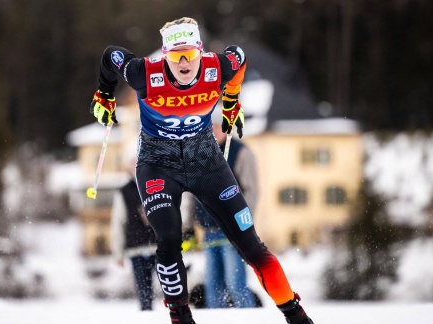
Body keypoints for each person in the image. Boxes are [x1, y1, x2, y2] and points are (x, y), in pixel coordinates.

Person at [90, 17, 314, 324]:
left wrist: (232, 98)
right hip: (158, 164)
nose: (184, 63)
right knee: (168, 239)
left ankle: (297, 316)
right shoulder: (144, 73)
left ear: (200, 51)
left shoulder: (218, 67)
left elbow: (240, 56)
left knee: (252, 245)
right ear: (164, 56)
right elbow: (110, 54)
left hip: (205, 162)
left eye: (190, 55)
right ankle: (181, 317)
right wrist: (104, 94)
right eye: (175, 55)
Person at [191, 119, 258, 309]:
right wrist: (188, 223)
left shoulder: (241, 152)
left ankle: (249, 319)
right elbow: (192, 190)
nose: (211, 130)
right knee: (213, 288)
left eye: (215, 125)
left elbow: (251, 191)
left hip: (233, 230)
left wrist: (244, 223)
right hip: (209, 229)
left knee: (236, 284)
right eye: (208, 126)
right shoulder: (199, 154)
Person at [110, 144, 157, 311]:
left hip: (160, 247)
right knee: (144, 292)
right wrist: (118, 251)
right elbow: (118, 222)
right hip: (136, 248)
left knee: (171, 289)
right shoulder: (123, 191)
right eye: (133, 161)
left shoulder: (157, 184)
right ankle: (147, 317)